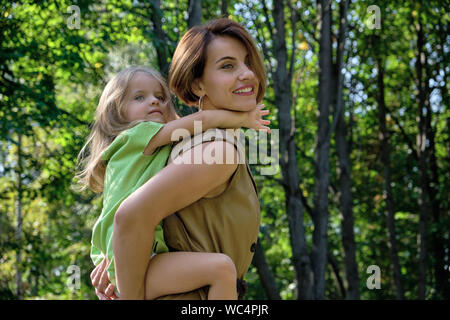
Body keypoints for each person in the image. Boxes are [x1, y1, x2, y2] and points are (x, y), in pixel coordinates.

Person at [91, 18, 268, 300]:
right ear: (198, 84)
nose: (248, 74)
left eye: (248, 62)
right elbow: (129, 216)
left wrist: (117, 270)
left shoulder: (173, 146)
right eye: (227, 66)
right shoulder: (217, 150)